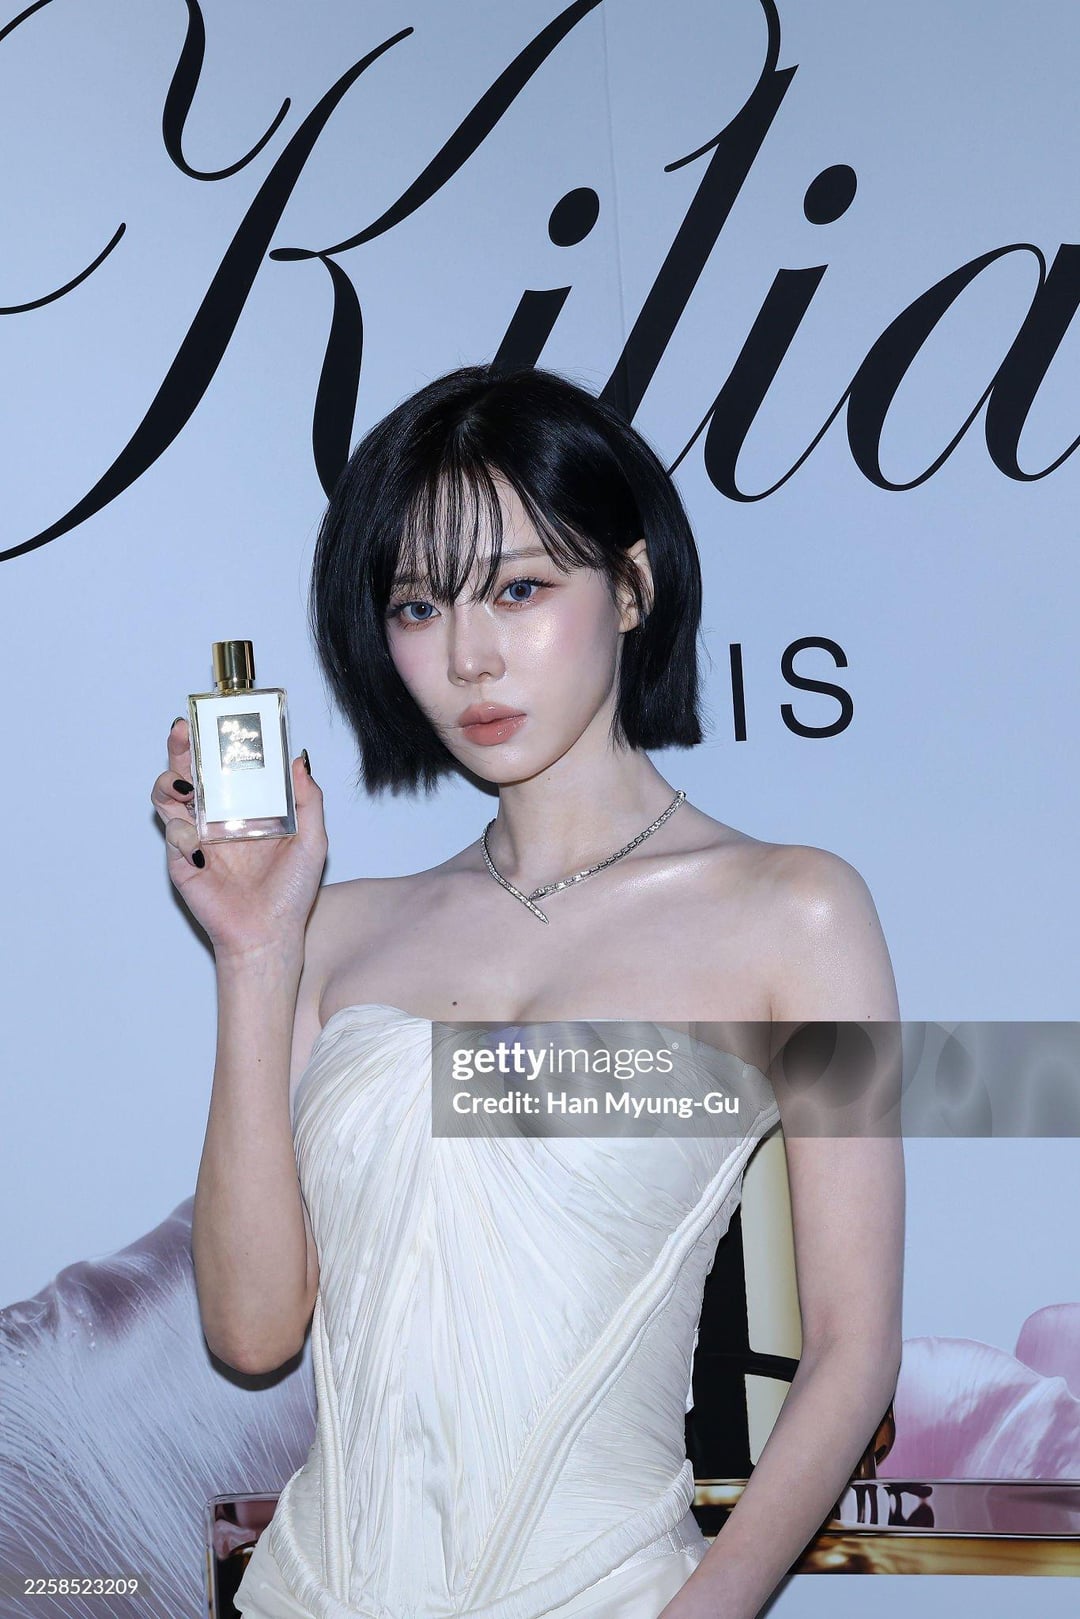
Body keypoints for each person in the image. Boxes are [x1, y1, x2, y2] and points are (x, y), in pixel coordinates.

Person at [152, 365, 905, 1619]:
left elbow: (852, 1345)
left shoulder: (799, 913)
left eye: (518, 588)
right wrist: (253, 951)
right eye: (417, 604)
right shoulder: (334, 930)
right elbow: (252, 1331)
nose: (468, 656)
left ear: (632, 584)